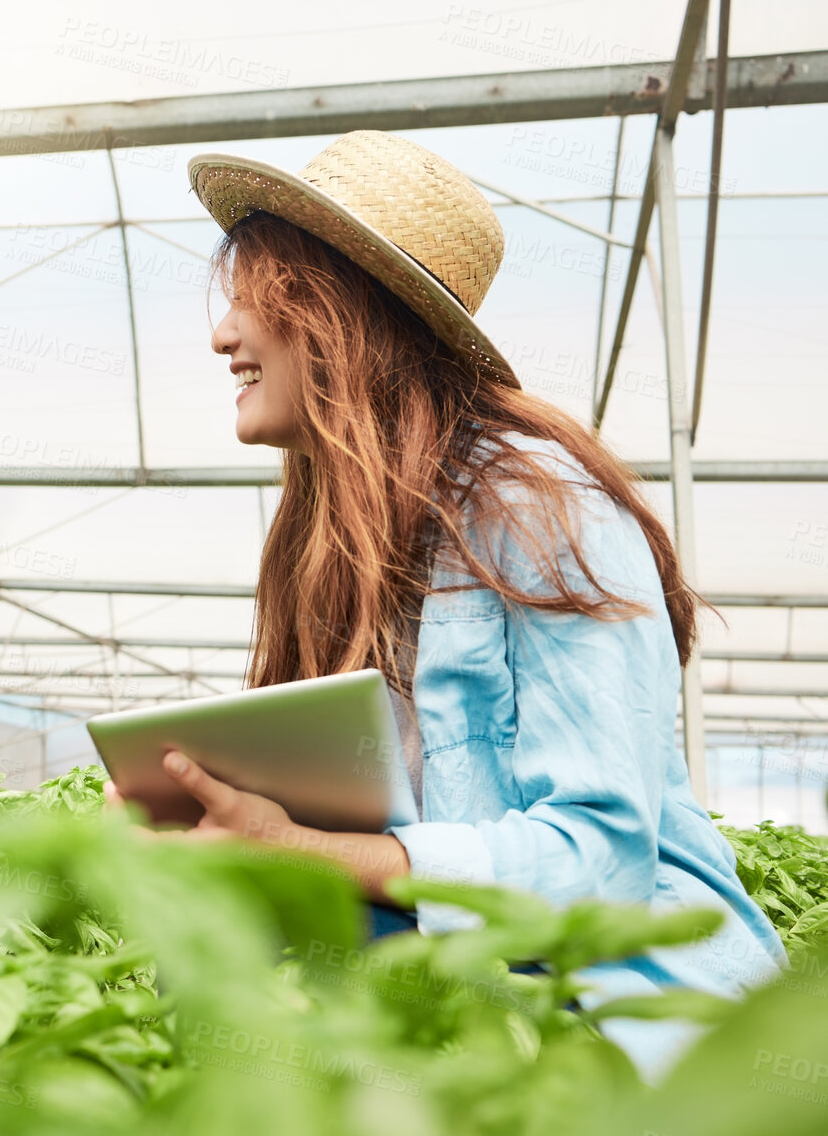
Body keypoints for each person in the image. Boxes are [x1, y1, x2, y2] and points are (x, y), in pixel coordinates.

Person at [150, 131, 784, 1078]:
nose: (221, 333)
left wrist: (297, 847)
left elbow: (597, 857)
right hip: (439, 957)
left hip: (617, 995)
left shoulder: (534, 502)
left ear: (339, 310)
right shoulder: (334, 534)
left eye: (256, 296)